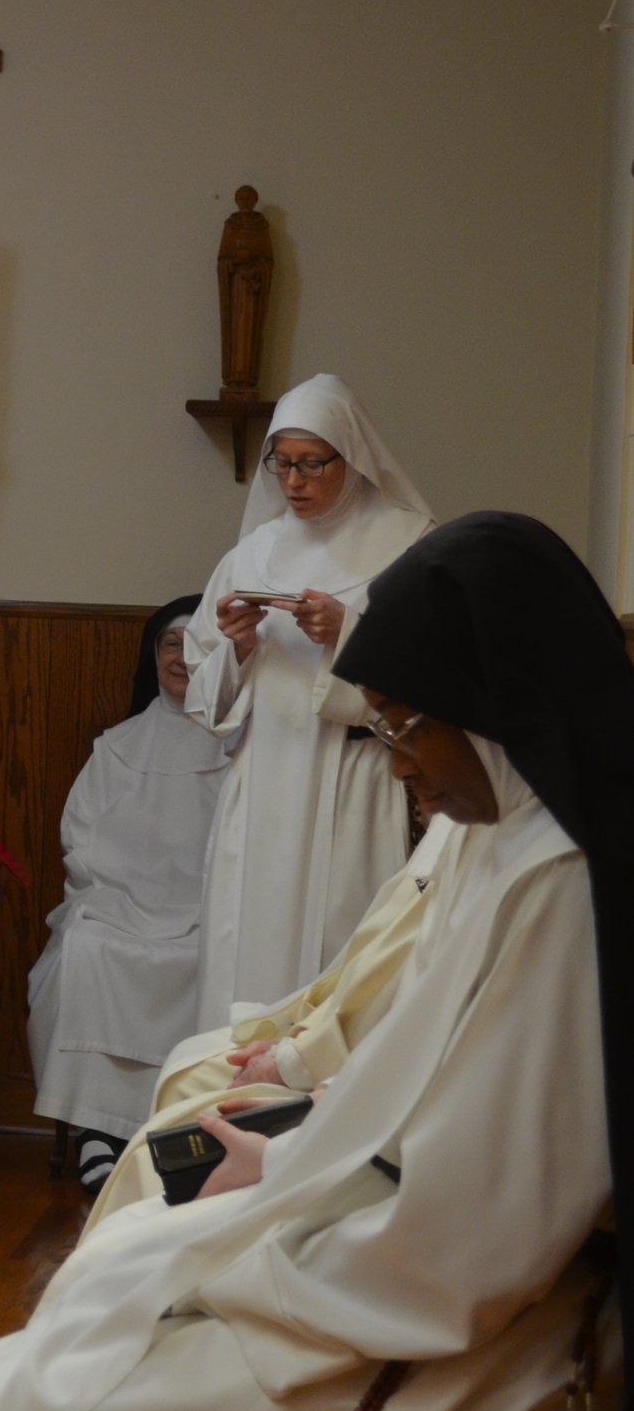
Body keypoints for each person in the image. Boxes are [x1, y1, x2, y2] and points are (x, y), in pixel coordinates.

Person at [0, 512, 632, 1411]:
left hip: (471, 1319)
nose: (396, 764)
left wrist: (243, 1245)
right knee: (84, 1307)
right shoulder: (509, 835)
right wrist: (284, 1171)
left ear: (493, 702)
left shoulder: (560, 877)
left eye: (405, 726)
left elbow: (482, 1226)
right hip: (395, 1248)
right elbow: (427, 1093)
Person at [182, 374, 432, 1027]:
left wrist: (348, 635)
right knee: (246, 966)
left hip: (353, 782)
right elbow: (202, 690)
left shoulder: (409, 545)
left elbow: (438, 677)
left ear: (353, 457)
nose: (293, 481)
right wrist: (237, 647)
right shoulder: (252, 554)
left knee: (338, 961)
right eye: (282, 462)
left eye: (312, 464)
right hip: (261, 781)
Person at [79, 810, 455, 1233]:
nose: (402, 775)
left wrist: (297, 1066)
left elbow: (421, 1012)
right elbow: (373, 969)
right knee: (185, 1082)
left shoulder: (488, 851)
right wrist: (296, 1047)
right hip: (365, 1084)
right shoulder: (463, 827)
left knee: (172, 1135)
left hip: (399, 1142)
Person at [25, 595, 230, 1191]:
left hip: (206, 912)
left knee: (211, 956)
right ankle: (97, 1130)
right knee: (86, 948)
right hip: (118, 906)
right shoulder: (116, 746)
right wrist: (123, 898)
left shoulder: (240, 745)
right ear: (152, 655)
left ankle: (184, 1131)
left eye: (196, 646)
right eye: (170, 644)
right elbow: (81, 838)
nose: (181, 658)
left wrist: (193, 906)